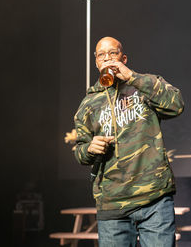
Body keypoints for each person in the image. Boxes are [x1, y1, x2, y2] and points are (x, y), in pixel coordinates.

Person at [73, 36, 184, 247]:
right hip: (112, 204)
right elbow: (79, 151)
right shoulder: (88, 104)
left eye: (112, 53)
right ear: (96, 62)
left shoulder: (144, 86)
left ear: (123, 58)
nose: (107, 58)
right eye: (101, 55)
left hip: (154, 198)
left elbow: (176, 105)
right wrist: (89, 148)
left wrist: (133, 77)